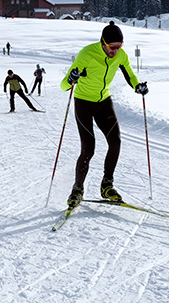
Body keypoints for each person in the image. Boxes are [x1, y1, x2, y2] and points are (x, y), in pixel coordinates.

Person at [60, 21, 148, 208]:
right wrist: (71, 78)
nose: (115, 51)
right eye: (112, 47)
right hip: (83, 102)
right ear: (102, 42)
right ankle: (77, 189)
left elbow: (130, 75)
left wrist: (137, 87)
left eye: (119, 47)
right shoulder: (87, 54)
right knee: (89, 148)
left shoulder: (121, 55)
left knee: (115, 141)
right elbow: (63, 85)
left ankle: (107, 185)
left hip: (104, 102)